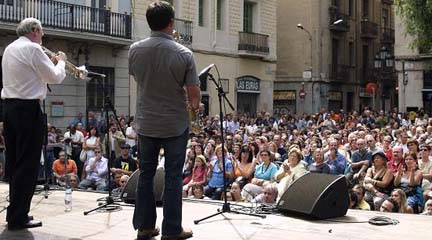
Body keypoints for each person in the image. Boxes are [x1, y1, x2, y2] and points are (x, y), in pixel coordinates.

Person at [129, 2, 200, 239]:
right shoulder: (184, 54)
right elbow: (194, 98)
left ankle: (145, 227)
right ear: (171, 23)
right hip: (175, 124)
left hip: (146, 121)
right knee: (172, 176)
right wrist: (194, 108)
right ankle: (171, 229)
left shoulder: (134, 50)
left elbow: (140, 78)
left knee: (145, 174)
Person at [1, 17, 66, 230]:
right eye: (42, 32)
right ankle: (19, 216)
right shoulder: (32, 49)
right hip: (28, 110)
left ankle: (15, 212)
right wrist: (62, 61)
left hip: (10, 109)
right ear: (36, 30)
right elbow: (55, 77)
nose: (43, 36)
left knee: (16, 162)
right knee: (28, 165)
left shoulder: (10, 48)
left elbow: (33, 76)